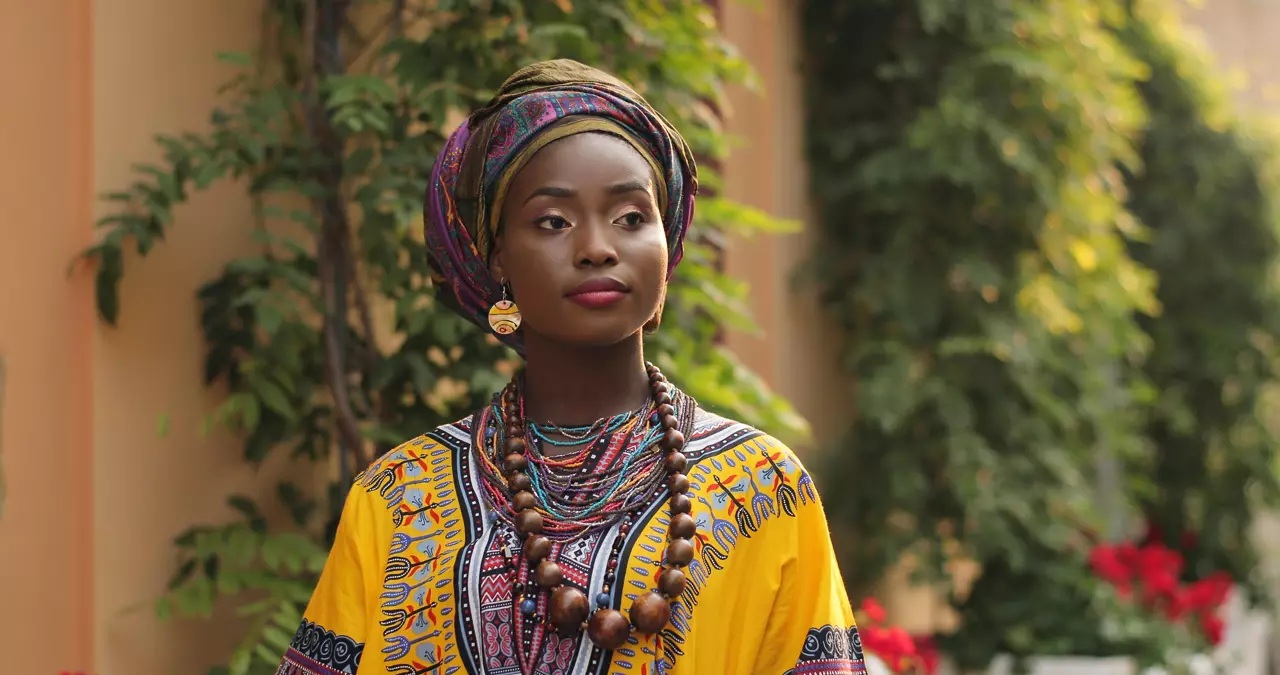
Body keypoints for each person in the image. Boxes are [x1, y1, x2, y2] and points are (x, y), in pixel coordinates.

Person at [276, 59, 862, 675]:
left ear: (668, 243)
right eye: (553, 222)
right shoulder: (398, 496)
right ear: (496, 256)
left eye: (632, 217)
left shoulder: (764, 488)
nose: (598, 247)